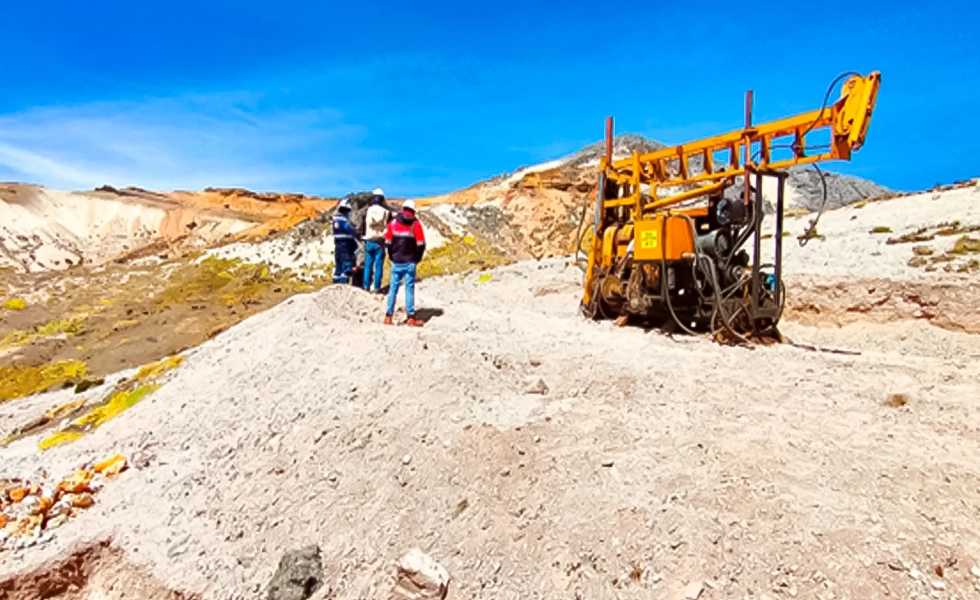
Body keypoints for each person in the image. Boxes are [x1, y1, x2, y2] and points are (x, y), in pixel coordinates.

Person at [383, 199, 426, 326]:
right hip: (410, 261)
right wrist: (417, 258)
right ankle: (411, 317)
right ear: (413, 211)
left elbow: (388, 243)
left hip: (396, 261)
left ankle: (388, 316)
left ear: (403, 209)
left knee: (393, 289)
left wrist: (392, 256)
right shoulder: (415, 224)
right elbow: (421, 244)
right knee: (409, 289)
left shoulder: (393, 223)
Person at [362, 188, 390, 293]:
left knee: (368, 265)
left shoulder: (369, 210)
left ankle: (366, 286)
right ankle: (377, 287)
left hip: (369, 240)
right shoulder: (385, 212)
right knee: (378, 265)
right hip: (380, 240)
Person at [332, 199, 361, 284]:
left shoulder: (335, 220)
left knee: (339, 266)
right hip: (346, 246)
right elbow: (352, 231)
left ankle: (335, 284)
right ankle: (343, 285)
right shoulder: (344, 221)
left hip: (338, 245)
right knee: (346, 267)